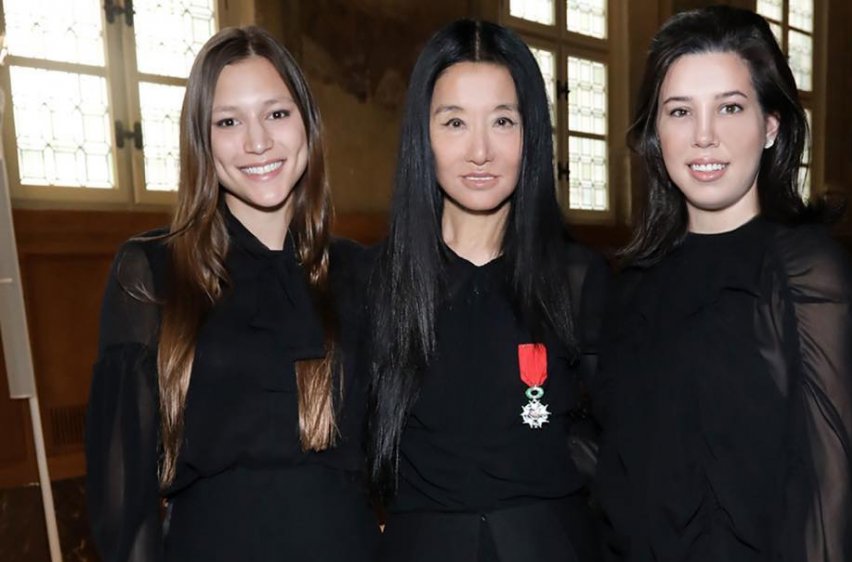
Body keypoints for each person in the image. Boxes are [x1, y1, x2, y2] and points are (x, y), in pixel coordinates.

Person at [85, 27, 378, 562]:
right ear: (202, 139)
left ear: (308, 125)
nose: (257, 141)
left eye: (276, 113)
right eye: (228, 121)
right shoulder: (151, 272)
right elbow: (122, 499)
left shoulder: (361, 273)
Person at [594, 6, 852, 561]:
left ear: (770, 125)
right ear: (655, 131)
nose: (704, 136)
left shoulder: (803, 272)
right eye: (679, 111)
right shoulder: (633, 286)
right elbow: (618, 477)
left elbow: (829, 497)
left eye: (730, 108)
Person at [366, 19, 607, 562]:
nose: (480, 151)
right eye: (454, 122)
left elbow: (621, 441)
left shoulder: (580, 279)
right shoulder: (376, 283)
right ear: (421, 137)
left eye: (503, 121)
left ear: (532, 134)